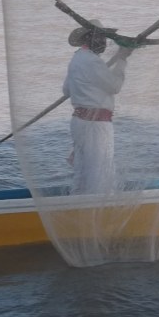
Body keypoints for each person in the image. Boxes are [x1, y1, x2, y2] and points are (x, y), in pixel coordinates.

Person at [62, 19, 132, 194]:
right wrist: (122, 60)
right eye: (101, 38)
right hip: (95, 124)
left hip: (79, 121)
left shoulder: (77, 58)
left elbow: (66, 91)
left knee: (83, 170)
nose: (104, 43)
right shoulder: (92, 61)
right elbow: (115, 86)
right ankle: (96, 206)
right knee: (99, 171)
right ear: (90, 38)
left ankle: (78, 201)